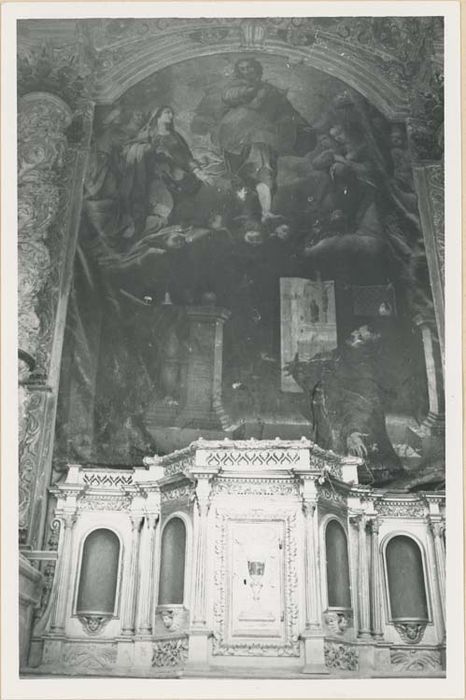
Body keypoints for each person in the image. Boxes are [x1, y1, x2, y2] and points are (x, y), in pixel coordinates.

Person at [286, 324, 402, 483]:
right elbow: (320, 364)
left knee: (353, 476)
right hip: (332, 417)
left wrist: (353, 432)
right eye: (356, 330)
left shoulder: (364, 371)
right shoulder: (343, 354)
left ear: (367, 348)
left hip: (353, 430)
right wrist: (298, 368)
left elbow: (363, 404)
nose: (353, 334)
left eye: (360, 337)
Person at [217, 58, 315, 222]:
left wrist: (301, 124)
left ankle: (264, 211)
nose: (247, 71)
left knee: (264, 169)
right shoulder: (236, 88)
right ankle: (250, 211)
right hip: (236, 135)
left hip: (262, 136)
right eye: (242, 68)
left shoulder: (270, 90)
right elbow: (228, 96)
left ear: (257, 69)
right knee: (241, 174)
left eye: (249, 67)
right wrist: (251, 90)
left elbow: (286, 110)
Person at [123, 106, 210, 237]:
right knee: (156, 204)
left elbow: (186, 157)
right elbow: (130, 149)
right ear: (157, 115)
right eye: (167, 112)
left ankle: (161, 232)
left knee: (177, 205)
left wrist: (197, 170)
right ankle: (139, 230)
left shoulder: (174, 136)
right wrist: (152, 149)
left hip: (174, 175)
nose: (171, 115)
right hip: (151, 175)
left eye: (172, 113)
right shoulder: (148, 134)